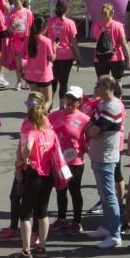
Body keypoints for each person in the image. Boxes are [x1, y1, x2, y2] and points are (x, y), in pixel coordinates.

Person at [10, 92, 58, 258]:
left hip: (33, 173)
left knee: (25, 213)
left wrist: (22, 160)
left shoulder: (29, 126)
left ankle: (25, 251)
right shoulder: (47, 125)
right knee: (42, 210)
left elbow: (27, 146)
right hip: (48, 173)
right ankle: (42, 246)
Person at [85, 75, 125, 249]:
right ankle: (107, 226)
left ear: (107, 87)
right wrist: (93, 129)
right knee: (103, 194)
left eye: (98, 85)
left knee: (109, 197)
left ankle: (115, 235)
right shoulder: (102, 104)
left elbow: (93, 131)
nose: (96, 88)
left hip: (106, 157)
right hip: (98, 154)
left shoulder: (113, 106)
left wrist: (93, 130)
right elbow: (91, 127)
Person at [48, 87, 89, 235]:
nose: (70, 102)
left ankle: (77, 222)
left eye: (74, 99)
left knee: (75, 191)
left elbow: (88, 141)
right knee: (60, 190)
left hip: (75, 162)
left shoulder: (84, 119)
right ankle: (61, 219)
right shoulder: (54, 116)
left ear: (80, 102)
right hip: (57, 160)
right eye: (68, 98)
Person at [92, 4, 130, 97]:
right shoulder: (118, 25)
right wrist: (129, 57)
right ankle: (118, 103)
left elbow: (96, 38)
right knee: (118, 81)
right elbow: (123, 43)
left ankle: (99, 102)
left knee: (101, 82)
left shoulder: (96, 25)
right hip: (116, 57)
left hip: (100, 58)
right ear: (113, 12)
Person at [48, 0, 81, 108]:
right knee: (63, 82)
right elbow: (74, 41)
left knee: (52, 81)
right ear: (66, 10)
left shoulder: (50, 21)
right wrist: (78, 56)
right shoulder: (70, 23)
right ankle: (62, 106)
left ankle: (49, 104)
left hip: (52, 55)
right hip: (66, 56)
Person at [22, 15, 54, 104]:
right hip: (43, 76)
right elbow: (51, 58)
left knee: (36, 101)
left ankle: (34, 116)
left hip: (30, 75)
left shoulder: (28, 39)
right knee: (47, 101)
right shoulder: (46, 41)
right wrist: (54, 48)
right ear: (44, 27)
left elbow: (20, 54)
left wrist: (20, 70)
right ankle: (41, 117)